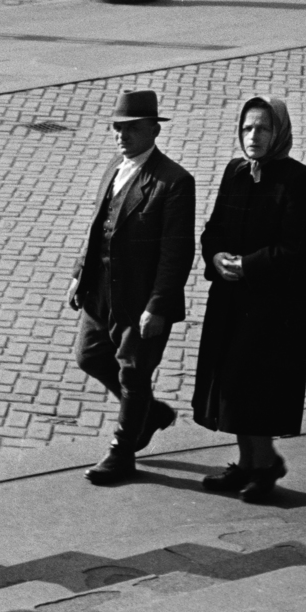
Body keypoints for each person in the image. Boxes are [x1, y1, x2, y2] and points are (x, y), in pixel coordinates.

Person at [193, 98, 306, 501]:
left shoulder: (299, 180)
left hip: (276, 305)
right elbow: (214, 228)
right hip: (232, 298)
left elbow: (300, 248)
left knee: (256, 386)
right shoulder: (235, 173)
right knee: (230, 384)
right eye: (247, 129)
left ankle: (264, 465)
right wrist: (216, 257)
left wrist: (247, 265)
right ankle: (249, 462)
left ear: (278, 132)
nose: (253, 137)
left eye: (263, 129)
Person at [66, 89, 195, 485]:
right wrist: (78, 273)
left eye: (131, 128)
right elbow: (96, 226)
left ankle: (122, 453)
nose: (121, 136)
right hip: (100, 290)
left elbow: (177, 253)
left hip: (140, 297)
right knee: (88, 356)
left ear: (154, 129)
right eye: (116, 127)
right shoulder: (115, 166)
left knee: (133, 373)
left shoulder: (173, 181)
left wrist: (157, 306)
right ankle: (151, 413)